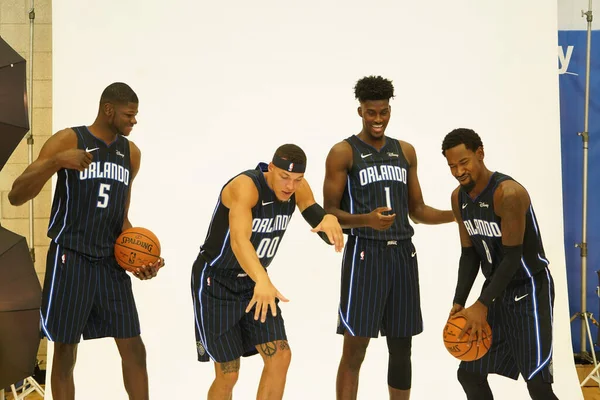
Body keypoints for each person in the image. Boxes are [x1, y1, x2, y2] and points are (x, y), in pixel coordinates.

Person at [8, 82, 163, 400]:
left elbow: (121, 219)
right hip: (71, 258)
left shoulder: (130, 154)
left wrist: (139, 260)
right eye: (129, 115)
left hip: (109, 262)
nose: (134, 121)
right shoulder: (69, 139)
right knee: (65, 353)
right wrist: (56, 162)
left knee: (134, 348)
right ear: (109, 110)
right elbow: (16, 194)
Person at [323, 75, 454, 400]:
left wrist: (457, 214)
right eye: (371, 113)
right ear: (360, 111)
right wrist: (365, 220)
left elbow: (418, 210)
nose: (378, 119)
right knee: (355, 348)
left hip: (403, 256)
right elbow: (329, 213)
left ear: (389, 109)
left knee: (401, 346)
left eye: (383, 112)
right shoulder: (343, 152)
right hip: (365, 255)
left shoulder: (405, 151)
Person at [191, 144, 344, 400]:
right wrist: (262, 278)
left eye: (297, 180)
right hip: (215, 280)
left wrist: (327, 219)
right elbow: (239, 242)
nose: (290, 186)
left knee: (280, 356)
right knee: (228, 373)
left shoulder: (297, 189)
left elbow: (313, 213)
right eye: (284, 177)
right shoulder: (245, 187)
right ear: (270, 168)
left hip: (254, 281)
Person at [441, 128, 558, 400]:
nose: (458, 171)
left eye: (464, 162)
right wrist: (459, 302)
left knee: (538, 385)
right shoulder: (458, 198)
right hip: (496, 292)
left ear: (480, 153)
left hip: (529, 290)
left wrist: (480, 305)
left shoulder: (508, 193)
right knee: (469, 373)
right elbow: (469, 254)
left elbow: (513, 256)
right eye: (452, 166)